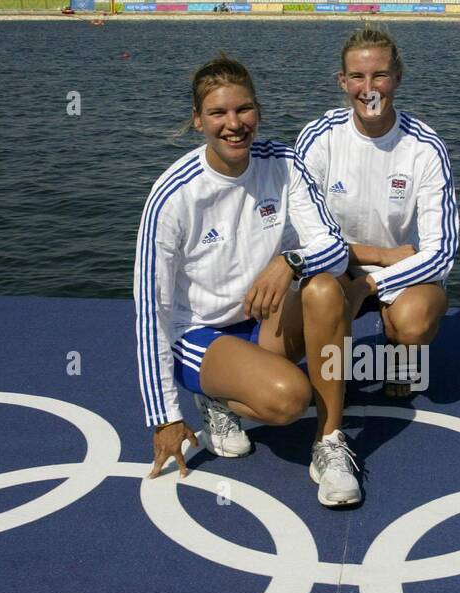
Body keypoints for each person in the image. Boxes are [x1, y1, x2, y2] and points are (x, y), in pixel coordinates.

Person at [135, 54, 363, 507]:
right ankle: (215, 399)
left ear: (258, 111)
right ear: (198, 120)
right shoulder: (173, 195)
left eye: (244, 110)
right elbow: (150, 310)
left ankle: (330, 443)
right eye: (218, 113)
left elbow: (335, 250)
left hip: (259, 319)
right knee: (289, 399)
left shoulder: (283, 162)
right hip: (200, 332)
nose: (234, 124)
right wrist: (164, 416)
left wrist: (290, 263)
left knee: (324, 288)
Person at [294, 24, 458, 398]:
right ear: (342, 81)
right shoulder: (319, 138)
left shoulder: (426, 147)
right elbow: (299, 234)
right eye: (357, 76)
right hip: (334, 265)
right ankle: (332, 362)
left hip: (403, 269)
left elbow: (442, 253)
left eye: (380, 75)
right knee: (305, 315)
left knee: (412, 323)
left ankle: (400, 353)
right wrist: (367, 264)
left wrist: (369, 284)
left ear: (398, 78)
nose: (369, 88)